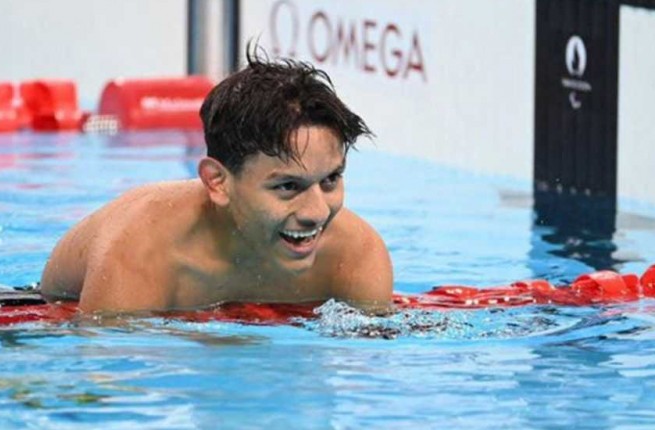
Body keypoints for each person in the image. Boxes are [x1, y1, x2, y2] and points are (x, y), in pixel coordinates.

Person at [40, 53, 393, 313]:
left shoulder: (355, 257)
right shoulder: (140, 255)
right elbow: (102, 383)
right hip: (57, 312)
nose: (316, 212)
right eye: (288, 187)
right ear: (217, 182)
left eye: (330, 180)